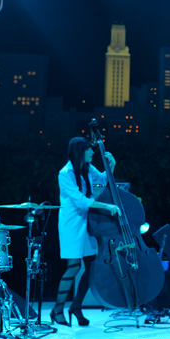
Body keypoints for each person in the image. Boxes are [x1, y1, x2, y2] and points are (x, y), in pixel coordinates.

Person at [54, 137, 120, 326]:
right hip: (72, 224)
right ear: (80, 151)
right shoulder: (65, 173)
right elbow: (80, 201)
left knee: (91, 268)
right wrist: (106, 206)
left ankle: (76, 306)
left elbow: (104, 180)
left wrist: (112, 165)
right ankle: (57, 310)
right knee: (74, 266)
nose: (92, 152)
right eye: (89, 150)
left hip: (86, 222)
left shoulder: (87, 168)